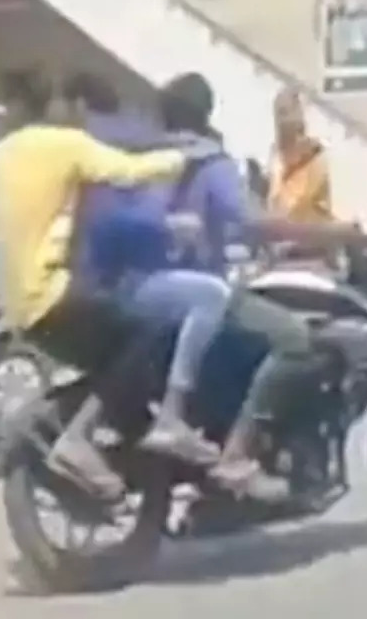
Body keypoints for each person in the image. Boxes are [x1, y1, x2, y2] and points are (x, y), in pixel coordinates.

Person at [0, 71, 201, 498]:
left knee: (115, 357)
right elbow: (127, 171)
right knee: (150, 331)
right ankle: (79, 436)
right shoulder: (64, 144)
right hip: (54, 294)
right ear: (51, 106)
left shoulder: (2, 152)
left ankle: (104, 431)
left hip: (21, 307)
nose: (73, 111)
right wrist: (184, 157)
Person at [156, 72, 361, 500]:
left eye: (292, 113)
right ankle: (238, 451)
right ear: (205, 113)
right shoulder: (211, 164)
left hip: (164, 291)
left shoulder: (154, 161)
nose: (288, 120)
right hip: (211, 290)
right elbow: (253, 221)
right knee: (296, 340)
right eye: (282, 113)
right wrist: (335, 233)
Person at [65, 72, 229, 466]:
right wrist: (170, 227)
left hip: (109, 277)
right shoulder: (123, 155)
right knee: (213, 297)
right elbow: (117, 221)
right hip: (118, 283)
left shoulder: (114, 148)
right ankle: (172, 414)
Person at [267, 89, 332, 222]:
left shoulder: (314, 156)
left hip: (307, 233)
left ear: (299, 116)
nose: (281, 120)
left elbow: (295, 202)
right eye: (279, 113)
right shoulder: (275, 154)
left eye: (285, 113)